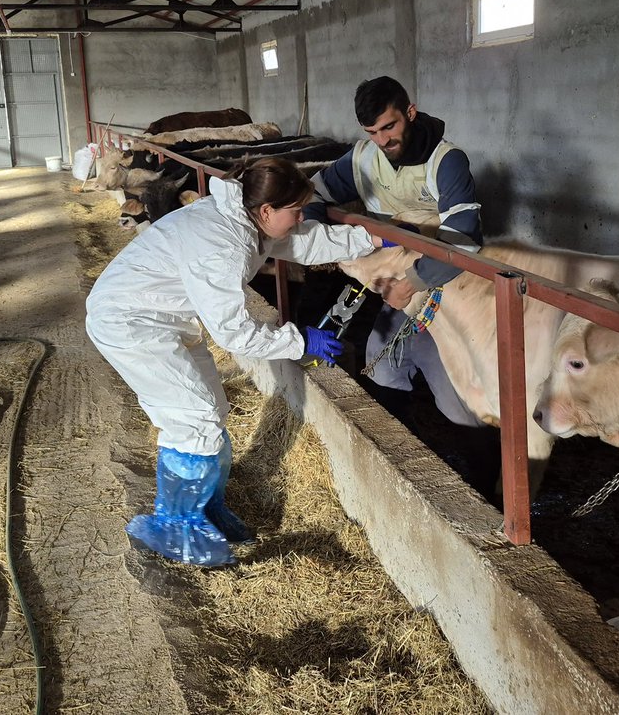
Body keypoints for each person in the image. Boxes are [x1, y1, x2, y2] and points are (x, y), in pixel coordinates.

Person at [85, 156, 385, 567]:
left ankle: (205, 507)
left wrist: (370, 240)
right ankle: (177, 525)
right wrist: (298, 341)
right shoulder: (223, 243)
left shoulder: (244, 218)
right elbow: (234, 333)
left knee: (211, 408)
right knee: (195, 416)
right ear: (266, 211)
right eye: (296, 210)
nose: (301, 218)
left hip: (166, 315)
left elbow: (304, 241)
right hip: (131, 321)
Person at [304, 76, 485, 430]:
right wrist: (321, 237)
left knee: (458, 392)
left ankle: (475, 456)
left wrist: (413, 281)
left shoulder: (446, 161)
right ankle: (401, 446)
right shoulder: (363, 159)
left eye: (389, 126)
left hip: (449, 284)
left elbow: (464, 240)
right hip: (398, 284)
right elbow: (313, 193)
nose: (382, 140)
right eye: (372, 131)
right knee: (382, 363)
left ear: (411, 113)